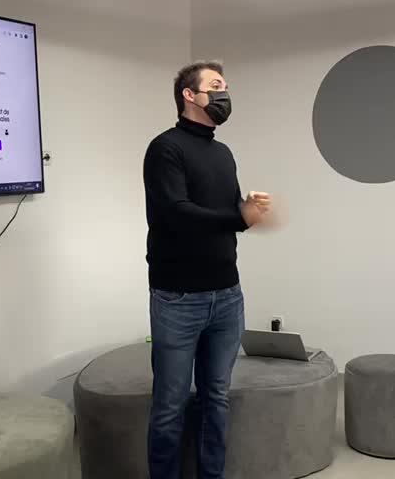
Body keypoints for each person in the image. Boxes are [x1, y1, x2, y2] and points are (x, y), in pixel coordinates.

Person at [143, 61, 273, 479]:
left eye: (226, 86)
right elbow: (177, 213)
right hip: (177, 298)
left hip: (227, 295)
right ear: (189, 95)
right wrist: (238, 216)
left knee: (216, 396)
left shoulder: (223, 153)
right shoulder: (165, 148)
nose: (224, 94)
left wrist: (245, 209)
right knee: (170, 404)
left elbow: (225, 213)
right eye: (216, 85)